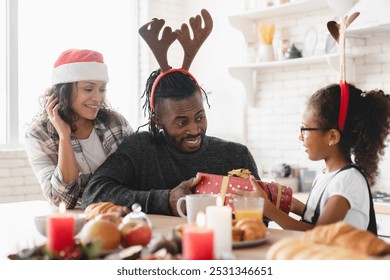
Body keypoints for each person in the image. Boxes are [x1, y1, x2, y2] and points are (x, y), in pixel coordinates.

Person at [81, 68, 260, 216]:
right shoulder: (140, 149)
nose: (194, 130)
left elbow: (263, 219)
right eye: (182, 122)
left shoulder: (236, 156)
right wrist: (165, 200)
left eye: (199, 118)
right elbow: (93, 194)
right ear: (158, 120)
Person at [235, 83, 390, 234]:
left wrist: (268, 209)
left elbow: (319, 234)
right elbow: (320, 218)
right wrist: (294, 206)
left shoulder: (348, 180)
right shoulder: (326, 173)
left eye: (305, 129)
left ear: (332, 136)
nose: (300, 136)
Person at [25, 49, 133, 209]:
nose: (98, 98)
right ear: (65, 91)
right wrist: (64, 136)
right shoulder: (39, 134)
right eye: (88, 89)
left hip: (121, 215)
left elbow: (139, 177)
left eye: (102, 89)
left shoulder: (116, 123)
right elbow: (62, 200)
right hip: (75, 223)